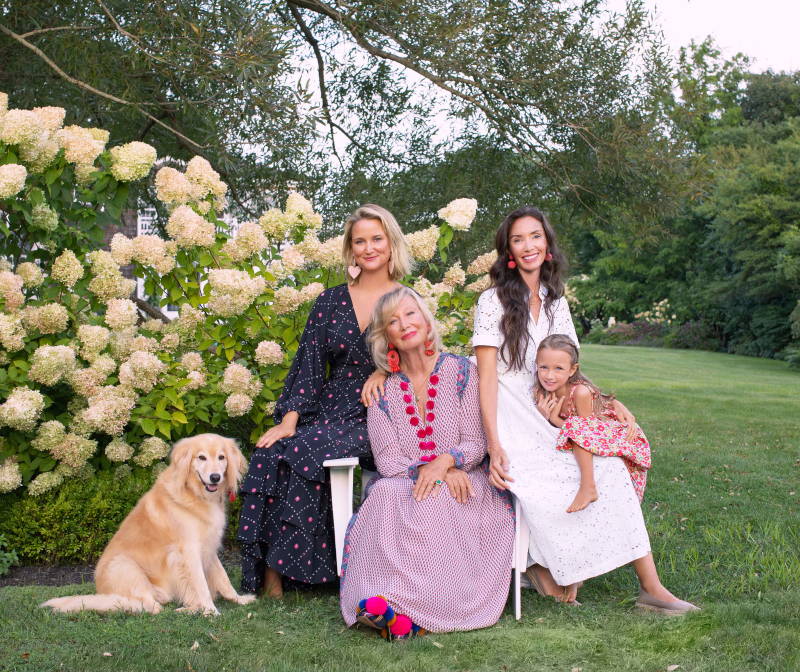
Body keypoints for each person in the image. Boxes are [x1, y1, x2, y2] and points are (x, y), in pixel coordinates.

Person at [473, 205, 699, 614]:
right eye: (518, 239)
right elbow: (486, 377)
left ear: (547, 244)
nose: (528, 246)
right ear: (508, 249)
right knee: (553, 478)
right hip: (509, 412)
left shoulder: (555, 299)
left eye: (535, 237)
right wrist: (493, 444)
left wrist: (610, 402)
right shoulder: (492, 301)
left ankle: (651, 588)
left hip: (550, 403)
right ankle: (547, 566)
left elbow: (572, 366)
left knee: (608, 468)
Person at [237, 204, 410, 598]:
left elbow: (422, 360)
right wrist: (289, 419)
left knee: (306, 451)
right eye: (359, 241)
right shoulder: (330, 302)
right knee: (273, 448)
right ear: (351, 249)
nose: (369, 248)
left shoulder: (405, 300)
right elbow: (310, 365)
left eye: (376, 239)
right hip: (329, 410)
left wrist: (384, 369)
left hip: (381, 415)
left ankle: (305, 571)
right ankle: (271, 576)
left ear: (390, 243)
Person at [340, 287, 514, 637]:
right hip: (408, 479)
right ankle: (387, 607)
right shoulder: (381, 390)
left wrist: (447, 463)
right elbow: (387, 458)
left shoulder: (462, 371)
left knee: (436, 498)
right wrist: (427, 469)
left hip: (467, 479)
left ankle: (427, 612)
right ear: (385, 335)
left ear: (425, 319)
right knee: (387, 494)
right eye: (392, 321)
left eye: (410, 314)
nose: (404, 325)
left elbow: (476, 442)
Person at [534, 333, 651, 512]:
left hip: (615, 433)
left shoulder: (580, 392)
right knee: (575, 425)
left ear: (572, 370)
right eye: (544, 367)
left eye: (558, 368)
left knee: (577, 425)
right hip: (590, 432)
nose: (550, 375)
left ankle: (588, 487)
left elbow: (585, 432)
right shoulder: (542, 392)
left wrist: (555, 420)